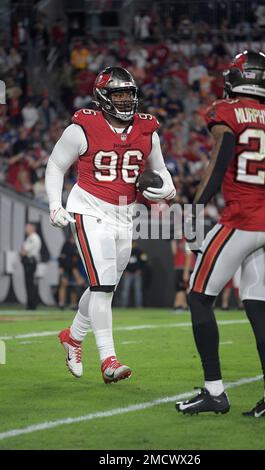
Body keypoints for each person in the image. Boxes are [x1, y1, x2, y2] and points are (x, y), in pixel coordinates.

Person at [176, 51, 265, 418]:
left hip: (241, 219)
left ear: (237, 78)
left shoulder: (226, 111)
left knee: (198, 298)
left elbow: (218, 165)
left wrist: (195, 215)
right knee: (259, 307)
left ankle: (214, 392)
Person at [45, 67, 176, 384]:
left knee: (104, 286)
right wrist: (54, 204)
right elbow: (55, 164)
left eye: (128, 94)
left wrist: (167, 188)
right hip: (88, 210)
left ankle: (73, 337)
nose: (125, 100)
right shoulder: (83, 127)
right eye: (118, 94)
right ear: (103, 97)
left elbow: (160, 171)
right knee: (102, 286)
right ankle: (108, 360)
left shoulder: (147, 130)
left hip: (124, 215)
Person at [57, 233, 86, 310]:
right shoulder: (66, 245)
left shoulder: (79, 245)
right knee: (63, 284)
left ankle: (73, 304)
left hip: (75, 269)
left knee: (75, 287)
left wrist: (78, 275)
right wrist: (61, 268)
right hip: (66, 268)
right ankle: (61, 304)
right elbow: (61, 258)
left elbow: (77, 263)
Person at [20, 223, 42, 310]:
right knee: (29, 283)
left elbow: (24, 251)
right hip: (29, 262)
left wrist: (22, 252)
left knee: (30, 284)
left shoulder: (33, 237)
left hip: (30, 262)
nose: (26, 229)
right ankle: (30, 303)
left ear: (32, 228)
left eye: (27, 228)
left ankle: (32, 305)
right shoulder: (30, 237)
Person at [120, 241, 148, 308]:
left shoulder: (140, 251)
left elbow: (144, 261)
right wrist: (124, 271)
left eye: (133, 242)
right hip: (127, 274)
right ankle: (123, 306)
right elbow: (121, 262)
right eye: (131, 242)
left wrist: (140, 270)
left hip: (137, 274)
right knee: (125, 291)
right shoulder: (125, 252)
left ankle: (138, 306)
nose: (132, 244)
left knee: (138, 291)